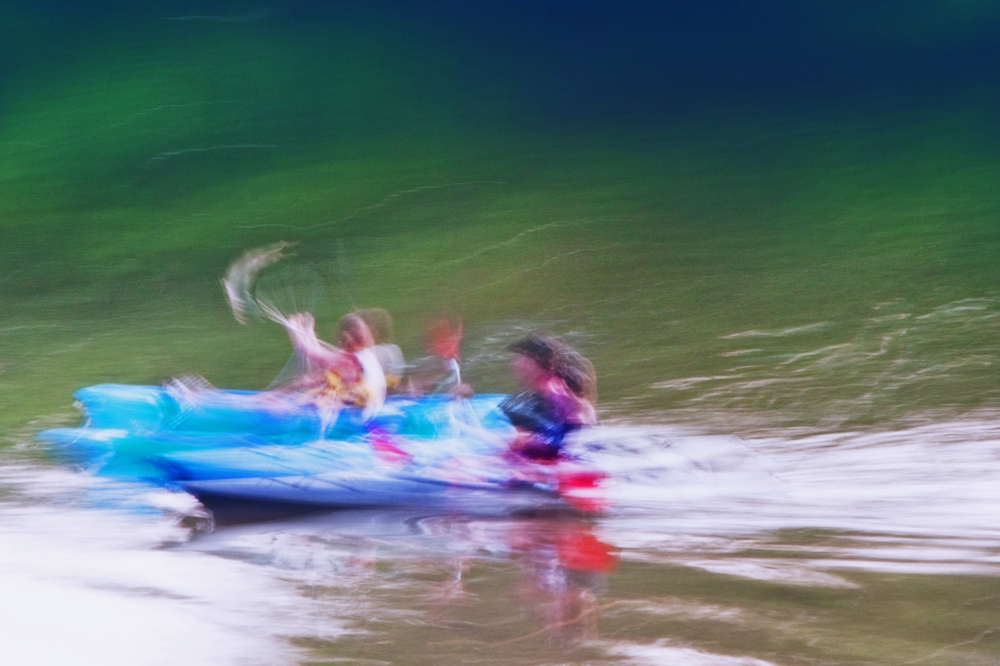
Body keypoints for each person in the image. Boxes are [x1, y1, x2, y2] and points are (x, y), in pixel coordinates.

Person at [501, 332, 597, 461]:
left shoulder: (560, 393)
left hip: (568, 455)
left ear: (533, 362)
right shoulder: (531, 394)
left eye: (519, 358)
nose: (513, 364)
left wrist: (530, 443)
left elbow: (578, 433)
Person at [281, 311, 387, 420]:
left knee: (307, 388)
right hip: (373, 404)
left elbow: (309, 351)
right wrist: (309, 333)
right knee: (318, 377)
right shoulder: (366, 354)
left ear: (346, 336)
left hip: (357, 409)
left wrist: (292, 328)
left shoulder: (345, 360)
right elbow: (322, 357)